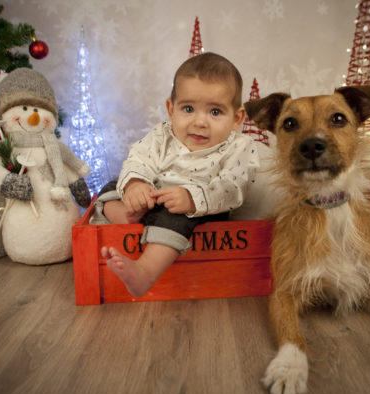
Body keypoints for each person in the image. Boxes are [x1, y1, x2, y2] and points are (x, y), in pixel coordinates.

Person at [97, 52, 258, 297]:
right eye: (189, 108)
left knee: (177, 217)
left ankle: (145, 272)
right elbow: (139, 158)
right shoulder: (162, 135)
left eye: (215, 112)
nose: (200, 122)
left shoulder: (238, 147)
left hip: (200, 211)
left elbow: (232, 187)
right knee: (111, 185)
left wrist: (191, 198)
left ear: (237, 119)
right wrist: (136, 185)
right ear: (171, 109)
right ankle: (129, 216)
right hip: (154, 197)